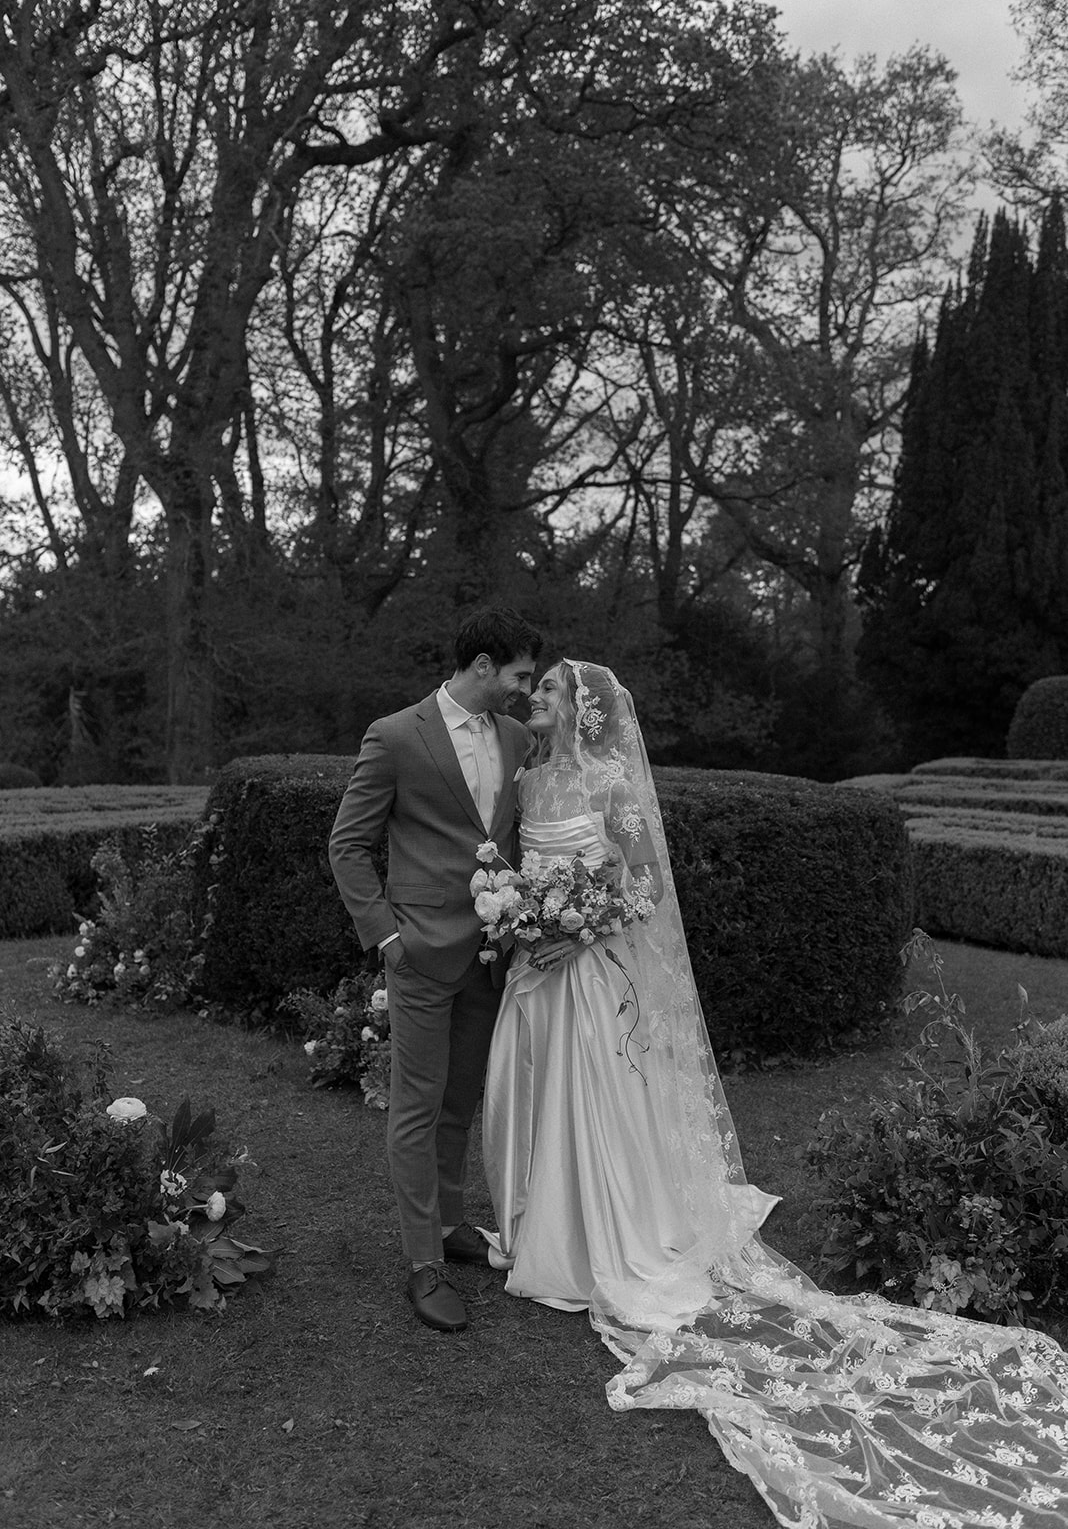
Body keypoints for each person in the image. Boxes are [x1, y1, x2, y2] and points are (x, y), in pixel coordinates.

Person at [482, 658, 1068, 1529]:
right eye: (537, 690)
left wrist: (579, 925)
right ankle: (542, 1218)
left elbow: (640, 887)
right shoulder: (527, 778)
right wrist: (526, 917)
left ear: (583, 707)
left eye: (551, 690)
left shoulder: (609, 780)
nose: (537, 699)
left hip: (592, 972)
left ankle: (606, 1232)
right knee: (534, 1096)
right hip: (539, 975)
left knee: (598, 1106)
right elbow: (521, 864)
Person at [329, 606, 540, 1332]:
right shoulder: (394, 736)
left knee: (460, 1102)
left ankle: (451, 1225)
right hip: (419, 954)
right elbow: (347, 846)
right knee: (416, 1108)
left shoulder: (517, 738)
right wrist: (386, 937)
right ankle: (423, 1264)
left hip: (492, 955)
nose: (523, 688)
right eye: (518, 674)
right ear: (482, 665)